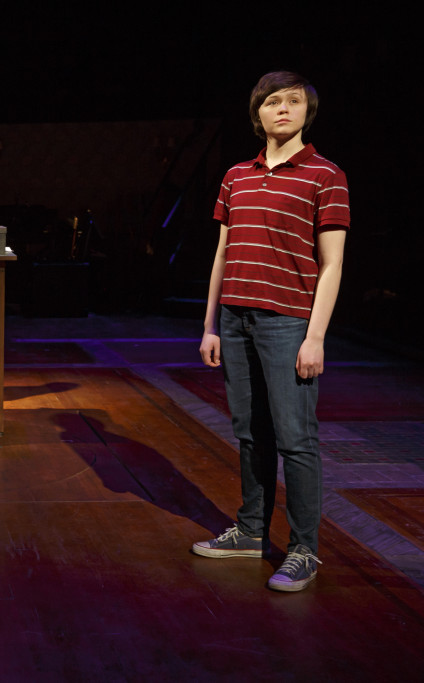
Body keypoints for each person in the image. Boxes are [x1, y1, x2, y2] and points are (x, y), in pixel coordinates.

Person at [191, 72, 350, 592]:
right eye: (272, 102)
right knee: (248, 431)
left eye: (294, 101)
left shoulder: (326, 175)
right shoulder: (237, 175)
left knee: (295, 439)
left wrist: (316, 336)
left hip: (287, 323)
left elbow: (332, 266)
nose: (283, 109)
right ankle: (251, 532)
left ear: (308, 111)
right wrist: (211, 324)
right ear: (257, 113)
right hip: (235, 320)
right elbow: (221, 253)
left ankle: (304, 549)